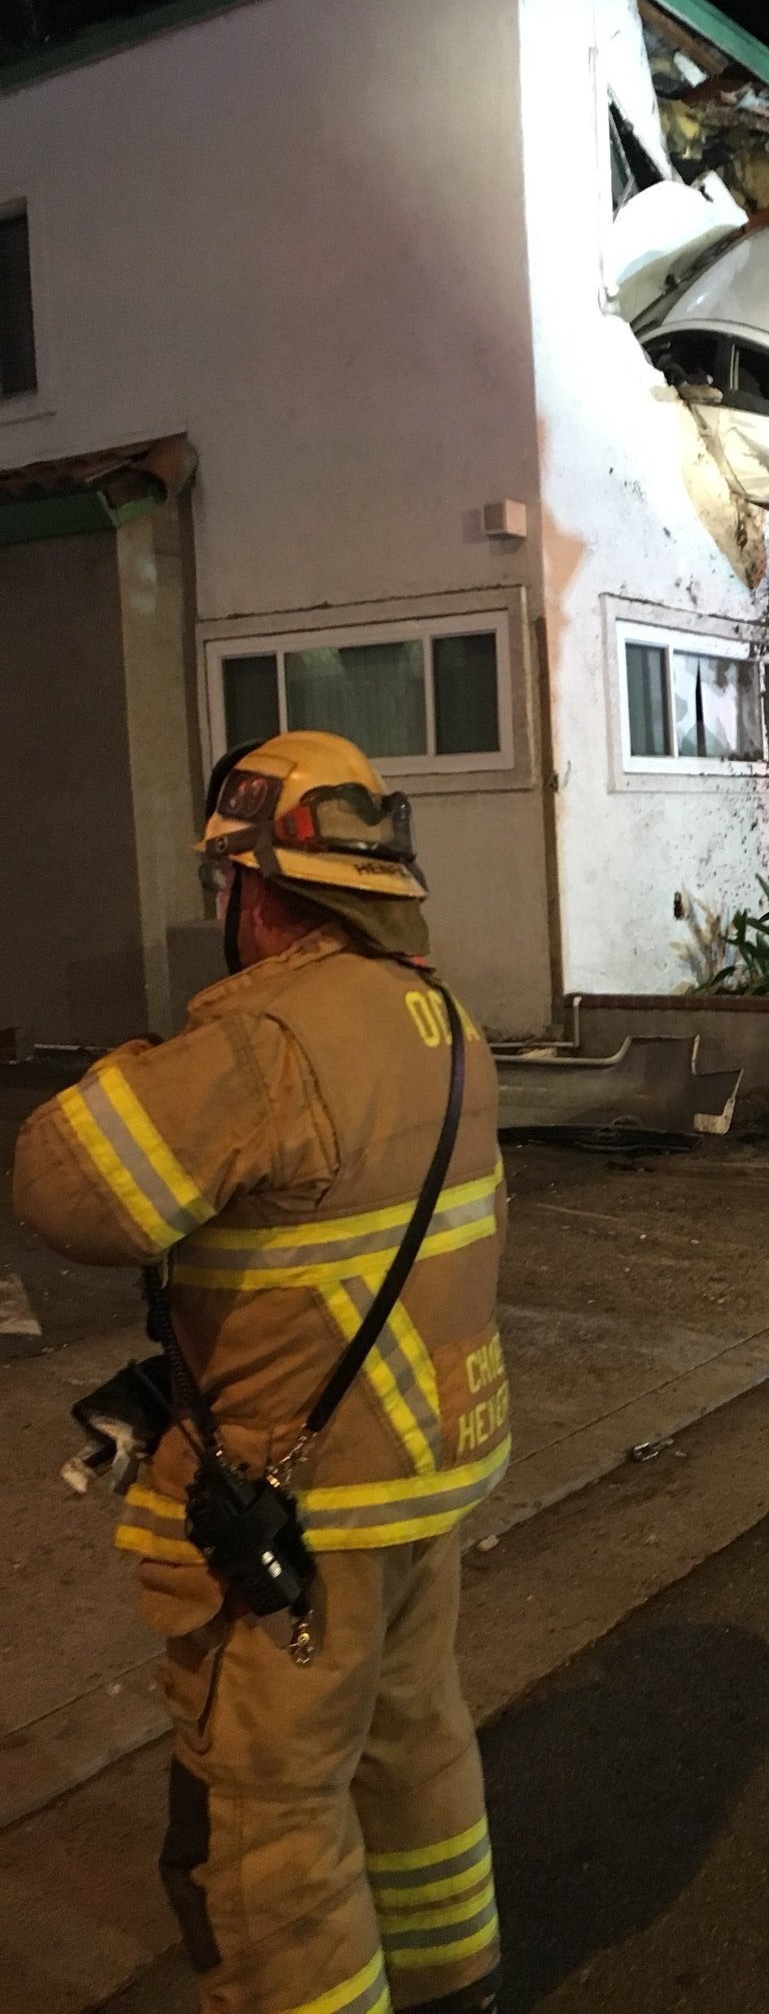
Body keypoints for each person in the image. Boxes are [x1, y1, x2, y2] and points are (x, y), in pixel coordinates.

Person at [13, 731, 507, 2014]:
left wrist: (131, 1064)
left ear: (255, 886)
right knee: (414, 1748)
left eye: (222, 884)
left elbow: (67, 1187)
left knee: (269, 1825)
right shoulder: (441, 1017)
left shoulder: (265, 1043)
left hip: (302, 1508)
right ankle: (459, 1981)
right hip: (422, 1475)